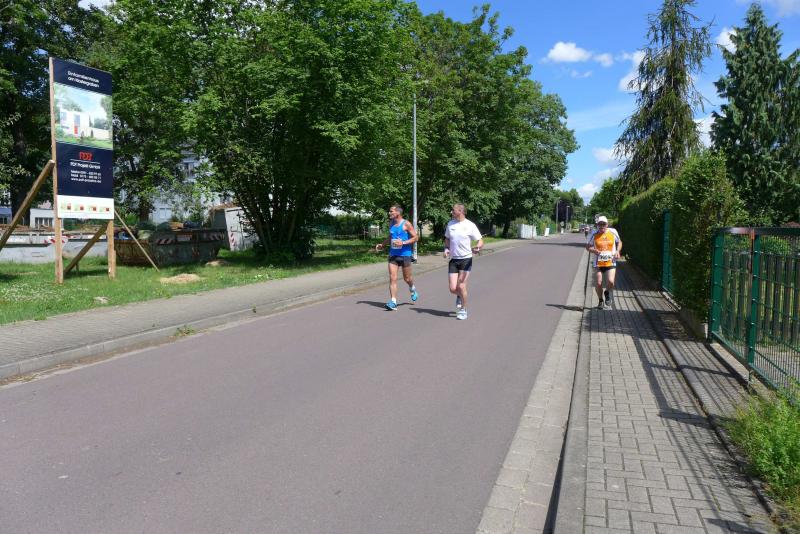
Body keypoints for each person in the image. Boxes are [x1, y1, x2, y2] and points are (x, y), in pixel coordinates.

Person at [444, 203, 484, 320]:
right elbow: (447, 239)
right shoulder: (450, 224)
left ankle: (463, 309)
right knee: (452, 288)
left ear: (460, 211)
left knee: (461, 285)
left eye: (453, 210)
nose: (452, 212)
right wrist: (446, 249)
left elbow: (480, 240)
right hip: (453, 259)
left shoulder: (470, 225)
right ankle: (459, 296)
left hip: (466, 259)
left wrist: (478, 247)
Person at [375, 204, 419, 310]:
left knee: (407, 278)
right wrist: (382, 244)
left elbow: (416, 237)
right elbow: (391, 236)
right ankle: (393, 302)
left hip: (405, 255)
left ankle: (412, 288)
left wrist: (403, 242)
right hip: (393, 255)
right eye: (389, 211)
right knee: (392, 278)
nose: (389, 213)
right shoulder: (391, 223)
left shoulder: (406, 224)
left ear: (398, 212)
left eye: (391, 211)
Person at [586, 215, 622, 309]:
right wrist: (594, 250)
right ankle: (600, 300)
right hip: (598, 263)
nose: (601, 226)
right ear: (597, 225)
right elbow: (587, 247)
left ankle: (607, 292)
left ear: (607, 224)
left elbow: (619, 242)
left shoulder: (613, 232)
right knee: (598, 283)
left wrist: (617, 251)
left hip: (611, 261)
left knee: (611, 281)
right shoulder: (594, 233)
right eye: (600, 224)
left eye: (603, 224)